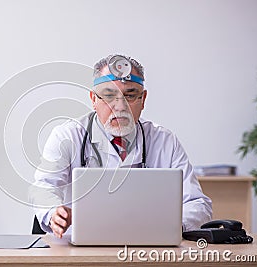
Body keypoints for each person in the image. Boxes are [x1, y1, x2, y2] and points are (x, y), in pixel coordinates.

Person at [29, 54, 212, 238]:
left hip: (148, 249)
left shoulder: (164, 141)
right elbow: (43, 188)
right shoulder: (67, 136)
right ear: (93, 99)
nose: (120, 106)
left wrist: (172, 226)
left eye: (130, 95)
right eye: (109, 96)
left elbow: (197, 203)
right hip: (79, 250)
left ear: (143, 99)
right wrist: (53, 212)